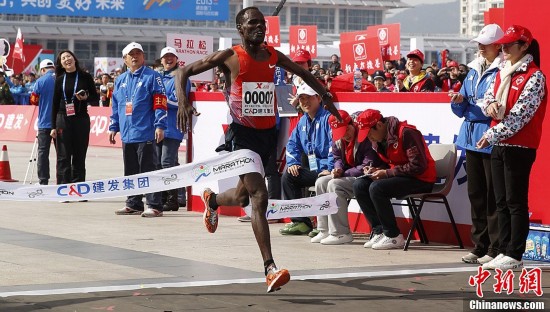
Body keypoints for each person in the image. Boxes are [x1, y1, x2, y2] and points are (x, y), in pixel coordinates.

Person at [175, 6, 340, 293]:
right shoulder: (230, 56)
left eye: (262, 23)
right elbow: (183, 71)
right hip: (242, 136)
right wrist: (182, 101)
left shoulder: (272, 55)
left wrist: (325, 95)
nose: (259, 27)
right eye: (252, 23)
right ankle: (270, 268)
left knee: (241, 197)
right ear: (240, 28)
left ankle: (213, 200)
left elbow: (302, 71)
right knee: (259, 196)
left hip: (267, 135)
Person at [477, 25, 547, 271]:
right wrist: (491, 106)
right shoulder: (501, 72)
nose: (504, 49)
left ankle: (514, 253)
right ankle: (503, 249)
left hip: (519, 145)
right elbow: (485, 97)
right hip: (499, 143)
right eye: (503, 44)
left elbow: (521, 116)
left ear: (525, 46)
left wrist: (491, 133)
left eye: (509, 44)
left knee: (515, 201)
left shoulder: (535, 76)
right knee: (501, 201)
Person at [449, 24, 504, 265]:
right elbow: (461, 108)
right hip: (470, 138)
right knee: (476, 194)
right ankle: (479, 246)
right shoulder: (472, 70)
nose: (480, 47)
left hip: (490, 138)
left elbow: (493, 108)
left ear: (498, 45)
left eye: (485, 43)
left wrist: (470, 107)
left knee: (493, 195)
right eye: (479, 43)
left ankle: (495, 247)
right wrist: (459, 101)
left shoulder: (502, 70)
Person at [353, 109, 436, 250]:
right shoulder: (380, 140)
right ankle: (379, 231)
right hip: (401, 177)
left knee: (377, 188)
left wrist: (387, 173)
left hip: (421, 179)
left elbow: (418, 166)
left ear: (379, 125)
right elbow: (390, 164)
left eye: (369, 133)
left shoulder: (406, 133)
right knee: (360, 185)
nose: (369, 138)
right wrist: (376, 169)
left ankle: (393, 235)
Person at [109, 42, 168, 218]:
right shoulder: (120, 80)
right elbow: (116, 106)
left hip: (146, 131)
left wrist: (160, 125)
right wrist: (113, 126)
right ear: (124, 59)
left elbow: (160, 101)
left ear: (143, 56)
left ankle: (154, 204)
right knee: (130, 170)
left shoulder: (153, 76)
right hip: (127, 134)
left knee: (148, 169)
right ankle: (133, 203)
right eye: (131, 54)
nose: (135, 57)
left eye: (138, 53)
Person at [313, 110, 383, 245]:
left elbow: (366, 164)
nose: (344, 135)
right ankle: (324, 230)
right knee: (321, 182)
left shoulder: (364, 136)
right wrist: (337, 169)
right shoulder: (337, 138)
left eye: (346, 130)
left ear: (352, 124)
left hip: (366, 176)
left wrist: (343, 173)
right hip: (348, 175)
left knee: (335, 184)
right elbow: (337, 157)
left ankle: (341, 233)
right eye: (340, 133)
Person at [280, 83, 333, 235]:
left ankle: (325, 226)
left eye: (308, 98)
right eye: (301, 99)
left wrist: (329, 168)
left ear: (318, 98)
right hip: (313, 168)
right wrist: (293, 163)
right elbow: (292, 144)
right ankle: (300, 222)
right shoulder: (303, 121)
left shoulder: (327, 119)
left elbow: (334, 147)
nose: (304, 102)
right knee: (289, 176)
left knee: (322, 181)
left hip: (327, 170)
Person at [50, 50, 98, 187]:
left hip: (81, 119)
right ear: (61, 64)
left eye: (69, 56)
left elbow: (95, 97)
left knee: (79, 154)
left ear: (74, 59)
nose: (67, 59)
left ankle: (78, 187)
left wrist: (86, 96)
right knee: (63, 156)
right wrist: (53, 126)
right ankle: (63, 188)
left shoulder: (85, 77)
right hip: (63, 119)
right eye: (63, 58)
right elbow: (54, 103)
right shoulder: (59, 80)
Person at [156, 46, 191, 211]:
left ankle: (171, 199)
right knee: (165, 163)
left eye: (171, 57)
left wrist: (159, 100)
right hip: (158, 126)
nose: (168, 59)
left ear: (177, 59)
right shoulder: (158, 77)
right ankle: (177, 196)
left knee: (166, 162)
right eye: (165, 57)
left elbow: (179, 102)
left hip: (173, 126)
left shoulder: (182, 77)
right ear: (161, 60)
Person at [29, 59, 56, 185]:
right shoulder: (61, 79)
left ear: (43, 70)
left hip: (45, 121)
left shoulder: (40, 81)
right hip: (60, 122)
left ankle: (43, 180)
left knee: (43, 152)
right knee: (63, 153)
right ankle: (63, 180)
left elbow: (34, 100)